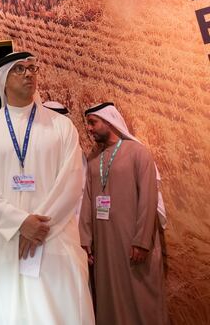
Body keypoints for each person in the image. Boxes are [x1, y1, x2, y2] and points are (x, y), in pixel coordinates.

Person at [0, 51, 93, 324]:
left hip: (55, 239)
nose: (28, 74)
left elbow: (71, 181)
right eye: (19, 69)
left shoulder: (61, 126)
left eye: (32, 68)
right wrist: (20, 223)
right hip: (6, 242)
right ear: (3, 80)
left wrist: (37, 227)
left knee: (61, 311)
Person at [80, 102, 168, 325]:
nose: (89, 128)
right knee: (109, 297)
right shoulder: (93, 161)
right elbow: (88, 200)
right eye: (87, 123)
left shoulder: (137, 153)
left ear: (109, 121)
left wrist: (141, 241)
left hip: (133, 244)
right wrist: (86, 240)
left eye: (93, 122)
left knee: (140, 297)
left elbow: (148, 199)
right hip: (106, 246)